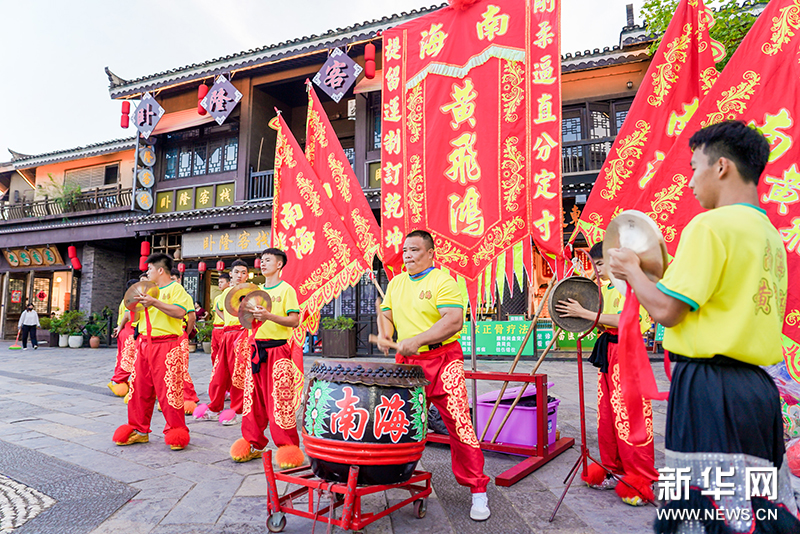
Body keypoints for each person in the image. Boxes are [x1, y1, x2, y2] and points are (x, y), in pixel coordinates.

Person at [608, 121, 800, 531]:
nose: (690, 181)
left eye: (694, 167)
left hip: (711, 390)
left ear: (722, 167)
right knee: (756, 505)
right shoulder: (768, 233)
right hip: (758, 391)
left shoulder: (710, 225)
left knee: (704, 511)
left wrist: (630, 270)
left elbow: (667, 311)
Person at [377, 230, 491, 522]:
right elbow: (386, 314)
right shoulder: (396, 283)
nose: (408, 255)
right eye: (405, 250)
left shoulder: (442, 281)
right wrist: (385, 334)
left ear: (430, 253)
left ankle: (478, 488)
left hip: (442, 360)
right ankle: (397, 474)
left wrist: (417, 340)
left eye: (414, 250)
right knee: (402, 422)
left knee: (459, 423)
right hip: (408, 363)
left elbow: (453, 320)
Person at [555, 241, 657, 506]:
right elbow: (603, 320)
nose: (597, 269)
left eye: (600, 264)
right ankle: (613, 469)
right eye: (595, 264)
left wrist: (585, 313)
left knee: (630, 416)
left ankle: (641, 478)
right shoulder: (608, 288)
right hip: (610, 352)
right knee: (608, 415)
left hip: (629, 353)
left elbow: (628, 320)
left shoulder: (634, 286)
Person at [229, 248, 304, 467]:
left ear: (279, 264)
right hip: (255, 350)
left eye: (268, 260)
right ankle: (253, 442)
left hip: (278, 351)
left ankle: (288, 446)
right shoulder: (256, 292)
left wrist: (269, 315)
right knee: (252, 400)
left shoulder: (286, 289)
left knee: (279, 400)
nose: (262, 263)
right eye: (261, 260)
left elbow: (294, 321)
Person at [113, 253, 193, 451]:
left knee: (169, 391)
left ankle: (176, 430)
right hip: (144, 344)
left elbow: (180, 312)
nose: (147, 272)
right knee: (138, 389)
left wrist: (154, 302)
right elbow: (135, 318)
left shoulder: (175, 288)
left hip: (167, 345)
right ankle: (139, 430)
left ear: (160, 270)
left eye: (149, 269)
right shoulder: (147, 291)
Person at [194, 260, 250, 425]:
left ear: (247, 276)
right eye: (237, 272)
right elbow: (218, 309)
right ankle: (214, 407)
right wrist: (228, 321)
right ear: (231, 274)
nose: (240, 275)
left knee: (238, 375)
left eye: (244, 273)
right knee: (219, 373)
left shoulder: (252, 292)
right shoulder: (225, 293)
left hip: (242, 334)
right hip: (226, 334)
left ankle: (238, 411)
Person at [108, 279, 140, 397]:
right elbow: (128, 316)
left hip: (124, 330)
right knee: (128, 358)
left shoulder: (125, 299)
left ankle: (119, 380)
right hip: (130, 330)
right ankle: (117, 380)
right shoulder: (132, 299)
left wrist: (118, 328)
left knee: (122, 357)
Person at [210, 273, 230, 367]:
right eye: (219, 282)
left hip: (225, 328)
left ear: (228, 283)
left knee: (224, 354)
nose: (219, 284)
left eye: (222, 282)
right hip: (216, 329)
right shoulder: (217, 298)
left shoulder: (231, 296)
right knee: (215, 353)